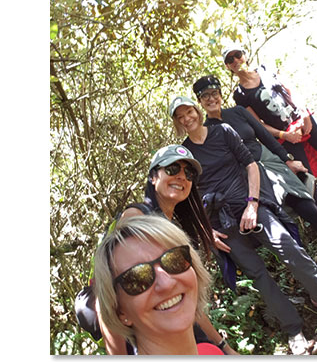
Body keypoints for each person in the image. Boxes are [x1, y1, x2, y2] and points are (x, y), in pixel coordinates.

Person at [171, 97, 317, 355]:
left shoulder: (222, 131)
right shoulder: (185, 154)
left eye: (189, 111)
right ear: (177, 123)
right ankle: (293, 329)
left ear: (196, 111)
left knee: (290, 251)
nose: (187, 118)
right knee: (258, 275)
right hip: (222, 223)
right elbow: (187, 199)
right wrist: (207, 232)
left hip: (250, 204)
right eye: (180, 117)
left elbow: (251, 165)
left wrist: (253, 204)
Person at [77, 144, 234, 354]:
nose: (181, 177)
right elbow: (106, 299)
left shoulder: (168, 224)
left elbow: (183, 294)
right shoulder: (136, 218)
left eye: (188, 173)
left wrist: (223, 347)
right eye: (172, 169)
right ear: (153, 177)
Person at [193, 75, 317, 264]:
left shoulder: (238, 112)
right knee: (281, 227)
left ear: (220, 94)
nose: (211, 99)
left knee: (306, 206)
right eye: (205, 96)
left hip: (270, 162)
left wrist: (286, 160)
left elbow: (264, 135)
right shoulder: (207, 131)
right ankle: (310, 272)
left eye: (214, 93)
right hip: (249, 177)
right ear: (200, 101)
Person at [93, 211, 223, 356]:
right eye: (138, 278)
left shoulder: (211, 352)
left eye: (175, 260)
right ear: (120, 312)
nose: (167, 283)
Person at [224, 44, 317, 193]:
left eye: (238, 54)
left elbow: (291, 90)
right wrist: (284, 135)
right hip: (286, 137)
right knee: (307, 178)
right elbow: (258, 124)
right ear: (228, 66)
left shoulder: (265, 70)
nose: (236, 60)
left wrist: (305, 114)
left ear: (244, 55)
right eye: (230, 59)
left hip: (303, 120)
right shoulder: (240, 94)